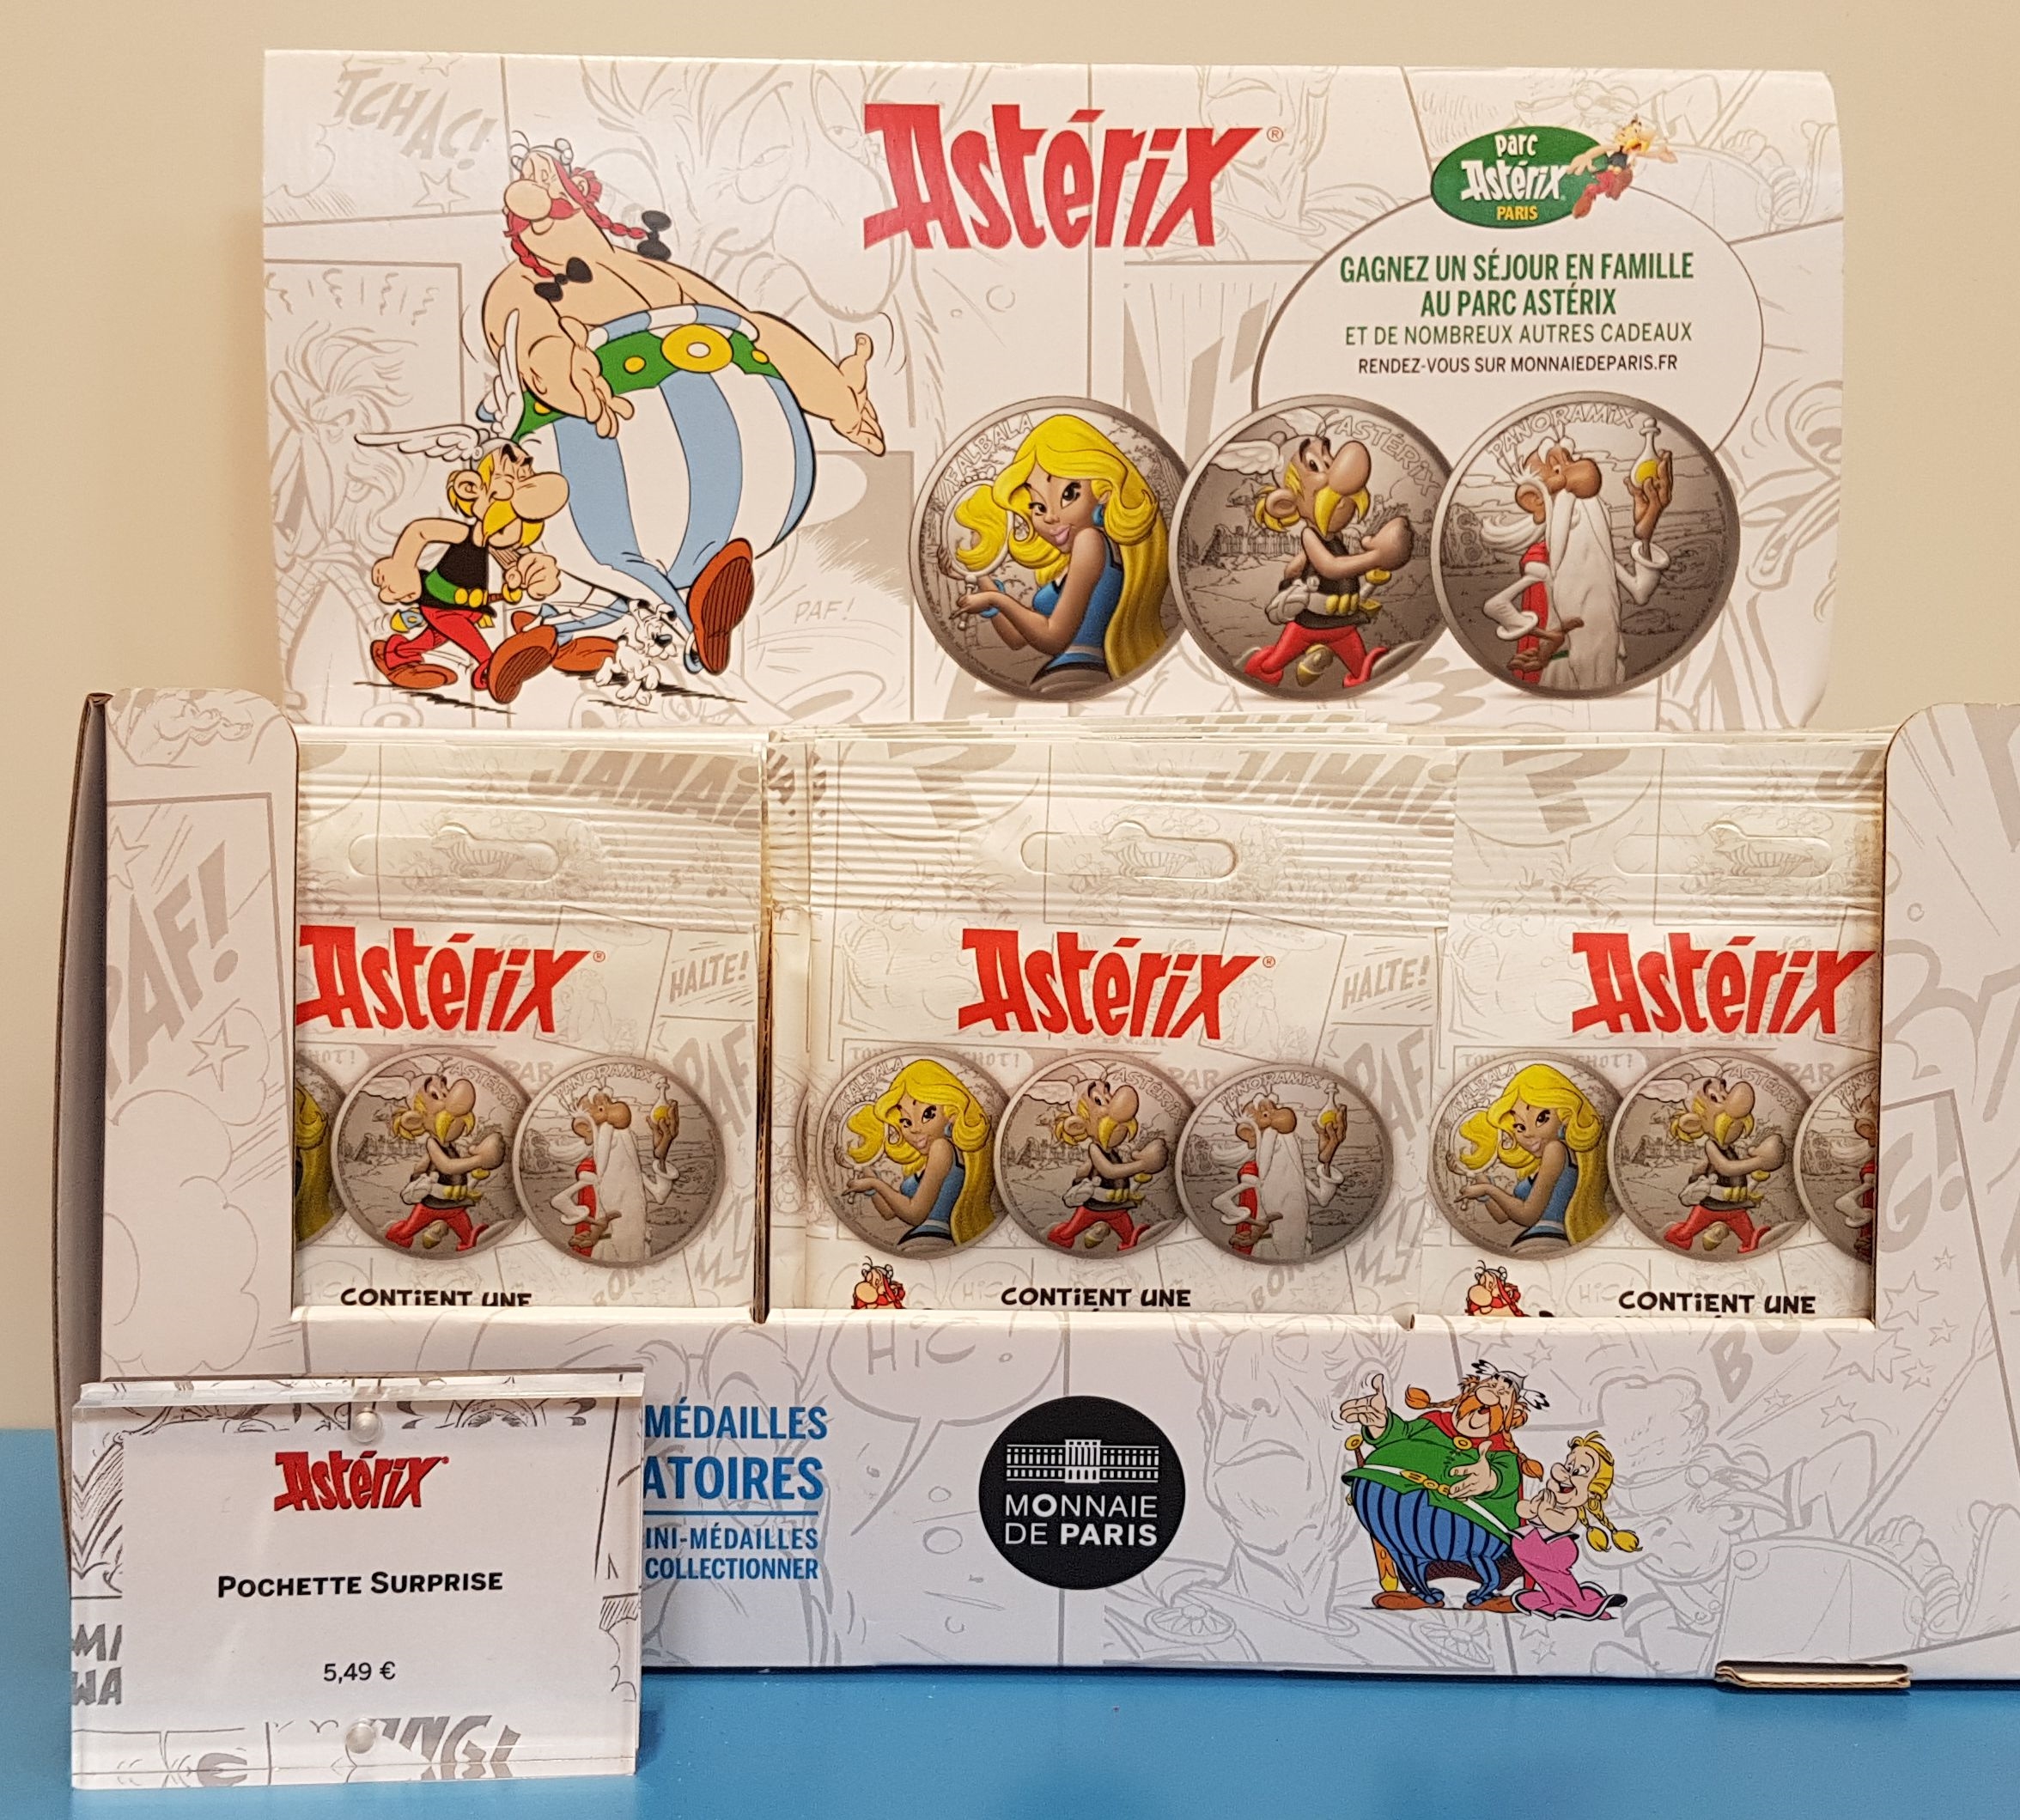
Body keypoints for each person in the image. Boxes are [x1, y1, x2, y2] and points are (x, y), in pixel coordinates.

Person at [946, 414, 1170, 692]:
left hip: (1078, 674)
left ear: (1102, 489)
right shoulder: (1076, 557)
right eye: (1039, 507)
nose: (1051, 517)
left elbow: (1053, 638)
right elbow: (1017, 639)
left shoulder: (1090, 541)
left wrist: (994, 599)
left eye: (1069, 494)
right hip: (1066, 676)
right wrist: (981, 577)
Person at [843, 1058, 998, 1247]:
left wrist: (874, 1183)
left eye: (928, 1115)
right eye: (906, 1122)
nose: (915, 1129)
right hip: (921, 1242)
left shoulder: (942, 1148)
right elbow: (889, 1212)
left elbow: (915, 1215)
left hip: (931, 1241)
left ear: (952, 1112)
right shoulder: (931, 1158)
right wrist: (866, 1173)